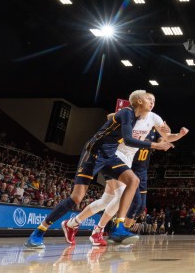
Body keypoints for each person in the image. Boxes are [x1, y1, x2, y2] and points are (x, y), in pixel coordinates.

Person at [24, 90, 174, 249]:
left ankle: (118, 228)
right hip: (93, 153)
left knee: (133, 180)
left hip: (110, 156)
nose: (152, 101)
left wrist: (167, 132)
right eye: (147, 98)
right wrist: (155, 145)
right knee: (76, 198)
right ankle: (39, 232)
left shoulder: (140, 118)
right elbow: (129, 140)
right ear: (138, 101)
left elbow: (163, 130)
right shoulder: (126, 113)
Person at [66, 123, 187, 246]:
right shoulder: (134, 119)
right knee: (123, 196)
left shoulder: (153, 127)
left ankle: (73, 223)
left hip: (131, 168)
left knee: (106, 201)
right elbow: (114, 116)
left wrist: (174, 134)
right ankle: (103, 231)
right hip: (116, 161)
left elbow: (165, 137)